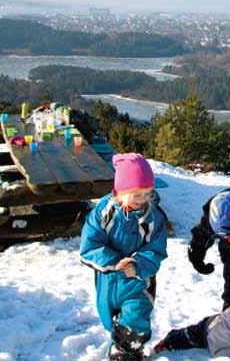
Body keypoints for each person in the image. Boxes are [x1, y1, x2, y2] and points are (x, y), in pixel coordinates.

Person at [80, 153, 168, 361]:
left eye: (147, 193)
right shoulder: (103, 213)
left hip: (139, 280)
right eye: (137, 194)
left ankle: (129, 351)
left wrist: (137, 264)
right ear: (120, 191)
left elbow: (156, 250)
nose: (143, 199)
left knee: (135, 319)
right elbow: (89, 247)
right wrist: (113, 262)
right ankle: (120, 344)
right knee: (111, 320)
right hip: (109, 279)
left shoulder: (153, 219)